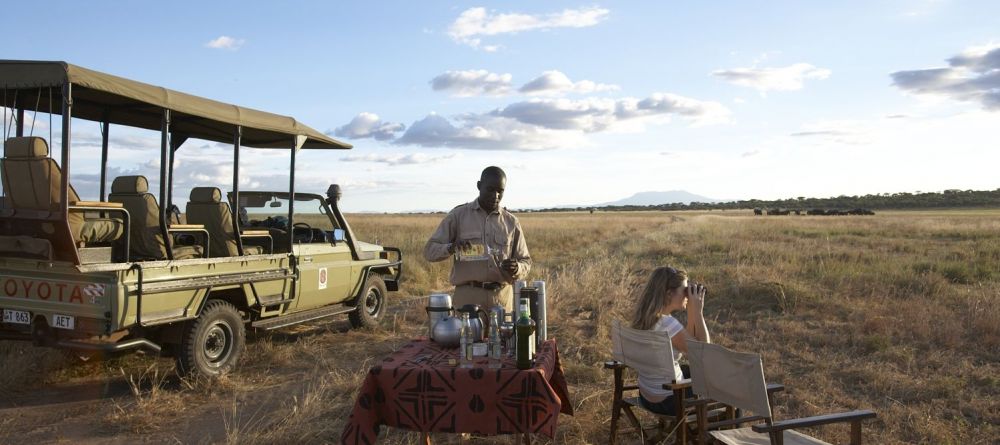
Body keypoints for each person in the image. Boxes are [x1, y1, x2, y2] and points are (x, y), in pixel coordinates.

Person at [424, 166, 531, 312]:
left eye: (500, 191)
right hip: (467, 298)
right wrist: (451, 247)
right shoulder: (458, 216)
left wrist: (516, 267)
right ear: (479, 186)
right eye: (490, 189)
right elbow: (430, 252)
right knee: (467, 335)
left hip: (502, 299)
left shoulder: (511, 222)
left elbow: (526, 261)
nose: (495, 195)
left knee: (502, 335)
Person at [631, 266, 711, 415]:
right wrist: (698, 312)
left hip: (647, 395)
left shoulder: (645, 317)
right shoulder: (667, 324)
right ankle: (718, 435)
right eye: (684, 291)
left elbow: (689, 343)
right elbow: (703, 353)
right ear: (669, 294)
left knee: (692, 369)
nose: (687, 296)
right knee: (724, 386)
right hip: (670, 399)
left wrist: (691, 310)